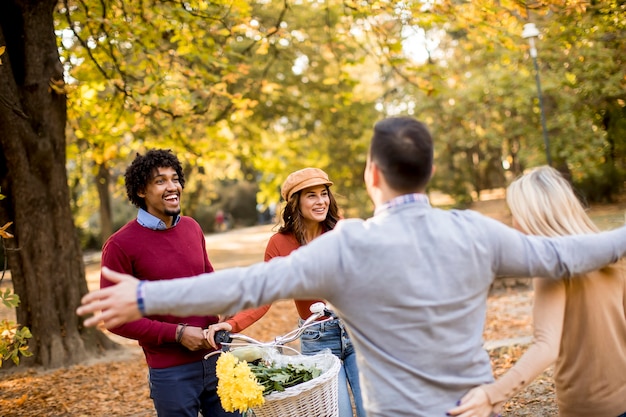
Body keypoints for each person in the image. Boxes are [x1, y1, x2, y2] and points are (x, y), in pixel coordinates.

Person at [78, 117, 626, 417]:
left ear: (370, 177)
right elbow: (573, 252)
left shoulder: (348, 244)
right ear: (429, 170)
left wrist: (141, 299)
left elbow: (248, 283)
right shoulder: (474, 230)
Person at [448, 166, 626, 417]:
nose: (514, 223)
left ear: (534, 216)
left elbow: (545, 345)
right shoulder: (613, 256)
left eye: (516, 214)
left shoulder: (552, 271)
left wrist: (493, 393)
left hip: (588, 408)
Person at [205, 167, 366, 417]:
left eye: (324, 193)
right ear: (295, 202)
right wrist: (232, 325)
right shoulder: (280, 244)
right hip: (318, 338)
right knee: (337, 413)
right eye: (311, 195)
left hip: (358, 331)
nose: (321, 200)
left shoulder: (342, 231)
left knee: (374, 410)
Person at [99, 149, 239, 417]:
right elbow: (114, 318)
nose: (172, 186)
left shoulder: (192, 227)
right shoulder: (120, 245)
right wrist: (177, 333)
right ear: (141, 190)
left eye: (175, 179)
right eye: (160, 181)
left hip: (217, 358)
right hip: (171, 372)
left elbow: (207, 281)